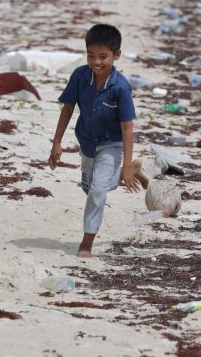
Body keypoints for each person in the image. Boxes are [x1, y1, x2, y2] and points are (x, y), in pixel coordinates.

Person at [48, 23, 148, 258]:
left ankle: (86, 242)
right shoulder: (80, 76)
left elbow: (127, 127)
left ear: (117, 55)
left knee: (97, 193)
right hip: (87, 143)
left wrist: (125, 162)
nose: (96, 62)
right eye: (91, 56)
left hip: (112, 145)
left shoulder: (120, 87)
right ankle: (134, 171)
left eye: (103, 57)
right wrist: (56, 142)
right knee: (90, 188)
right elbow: (68, 107)